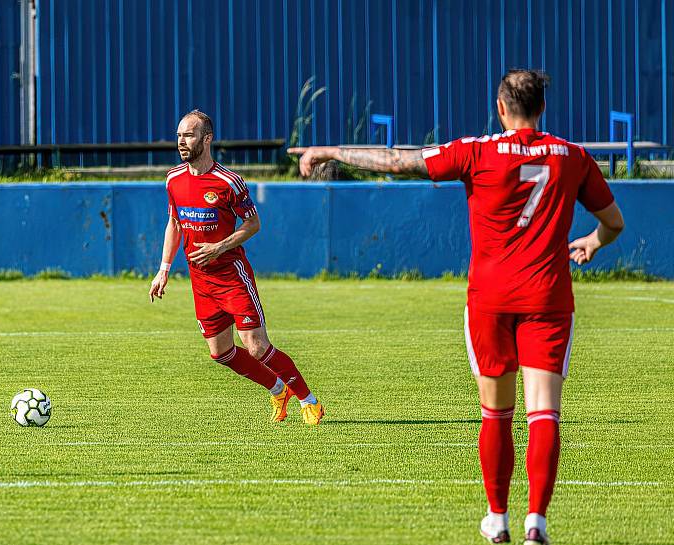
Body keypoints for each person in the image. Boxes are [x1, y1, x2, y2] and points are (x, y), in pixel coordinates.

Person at [288, 70, 624, 545]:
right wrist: (591, 241)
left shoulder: (477, 150)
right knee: (544, 413)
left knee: (496, 413)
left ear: (501, 107)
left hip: (490, 298)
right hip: (548, 298)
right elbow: (613, 222)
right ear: (542, 109)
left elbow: (397, 162)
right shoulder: (572, 156)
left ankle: (497, 518)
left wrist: (330, 152)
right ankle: (537, 524)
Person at [149, 109, 324, 425]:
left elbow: (253, 223)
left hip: (232, 277)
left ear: (207, 138)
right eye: (178, 136)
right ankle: (276, 388)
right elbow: (174, 222)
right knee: (220, 352)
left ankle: (308, 400)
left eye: (188, 135)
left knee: (257, 347)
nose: (181, 142)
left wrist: (220, 245)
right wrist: (163, 268)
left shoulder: (229, 182)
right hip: (200, 280)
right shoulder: (173, 179)